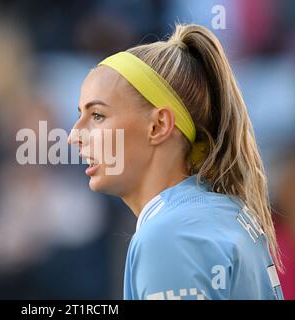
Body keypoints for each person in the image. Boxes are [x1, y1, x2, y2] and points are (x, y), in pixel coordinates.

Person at [68, 23, 283, 300]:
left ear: (158, 126)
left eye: (97, 115)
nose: (74, 135)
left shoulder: (169, 236)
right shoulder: (225, 212)